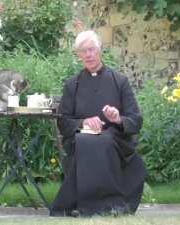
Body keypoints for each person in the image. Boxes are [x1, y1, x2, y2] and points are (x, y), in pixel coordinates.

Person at [50, 30, 147, 217]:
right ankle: (101, 205)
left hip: (116, 140)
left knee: (103, 141)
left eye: (92, 49)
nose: (89, 55)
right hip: (81, 140)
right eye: (83, 51)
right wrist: (83, 122)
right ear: (78, 55)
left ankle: (98, 205)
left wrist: (118, 119)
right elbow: (63, 122)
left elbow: (136, 120)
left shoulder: (120, 81)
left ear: (99, 49)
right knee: (87, 142)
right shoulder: (72, 85)